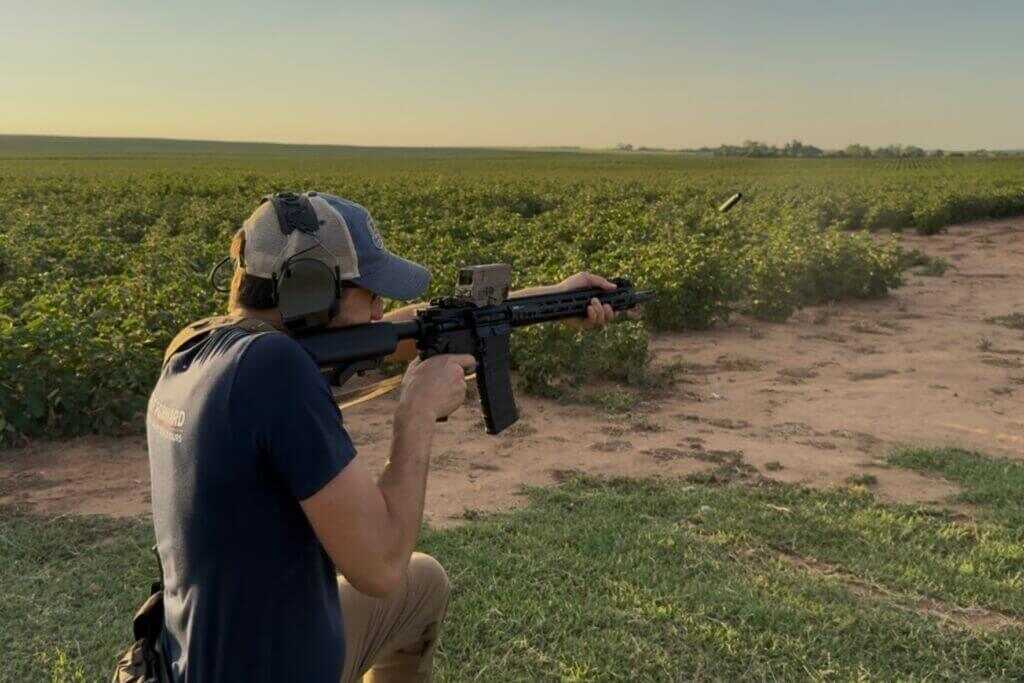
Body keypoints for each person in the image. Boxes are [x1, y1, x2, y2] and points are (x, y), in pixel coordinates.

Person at [146, 191, 617, 682]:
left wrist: (550, 301)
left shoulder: (200, 346)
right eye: (369, 291)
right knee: (402, 573)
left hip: (201, 658)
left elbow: (401, 329)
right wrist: (416, 412)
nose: (380, 307)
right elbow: (382, 568)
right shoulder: (276, 370)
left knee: (423, 584)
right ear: (311, 290)